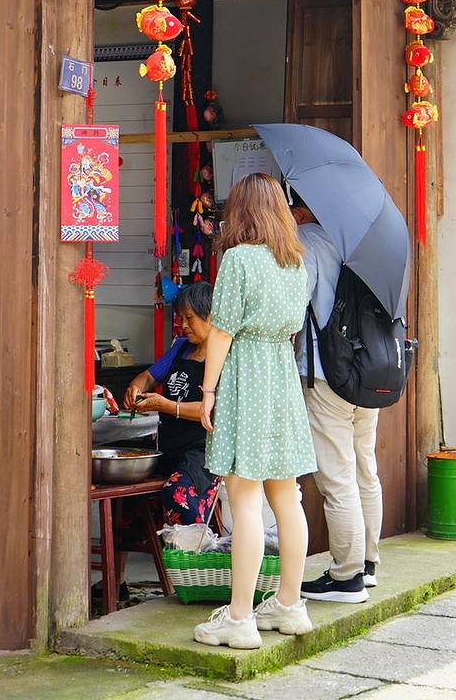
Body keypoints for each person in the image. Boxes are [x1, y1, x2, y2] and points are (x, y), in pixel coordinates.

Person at [194, 173, 317, 650]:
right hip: (281, 378)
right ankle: (290, 604)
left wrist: (208, 390)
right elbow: (292, 328)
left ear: (240, 210)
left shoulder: (238, 259)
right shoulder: (295, 262)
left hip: (246, 377)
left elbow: (221, 330)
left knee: (244, 500)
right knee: (287, 498)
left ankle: (240, 618)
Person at [290, 189, 382, 604]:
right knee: (365, 468)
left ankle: (347, 578)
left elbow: (296, 307)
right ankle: (368, 564)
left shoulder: (308, 239)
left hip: (326, 372)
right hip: (367, 371)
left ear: (302, 209)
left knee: (337, 477)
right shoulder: (365, 238)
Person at [124, 282, 219, 526]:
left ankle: (197, 547)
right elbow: (149, 376)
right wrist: (136, 388)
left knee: (177, 493)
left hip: (202, 453)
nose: (183, 325)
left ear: (211, 316)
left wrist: (166, 405)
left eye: (190, 318)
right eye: (181, 318)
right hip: (168, 448)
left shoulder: (223, 358)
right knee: (124, 489)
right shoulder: (181, 348)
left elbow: (214, 411)